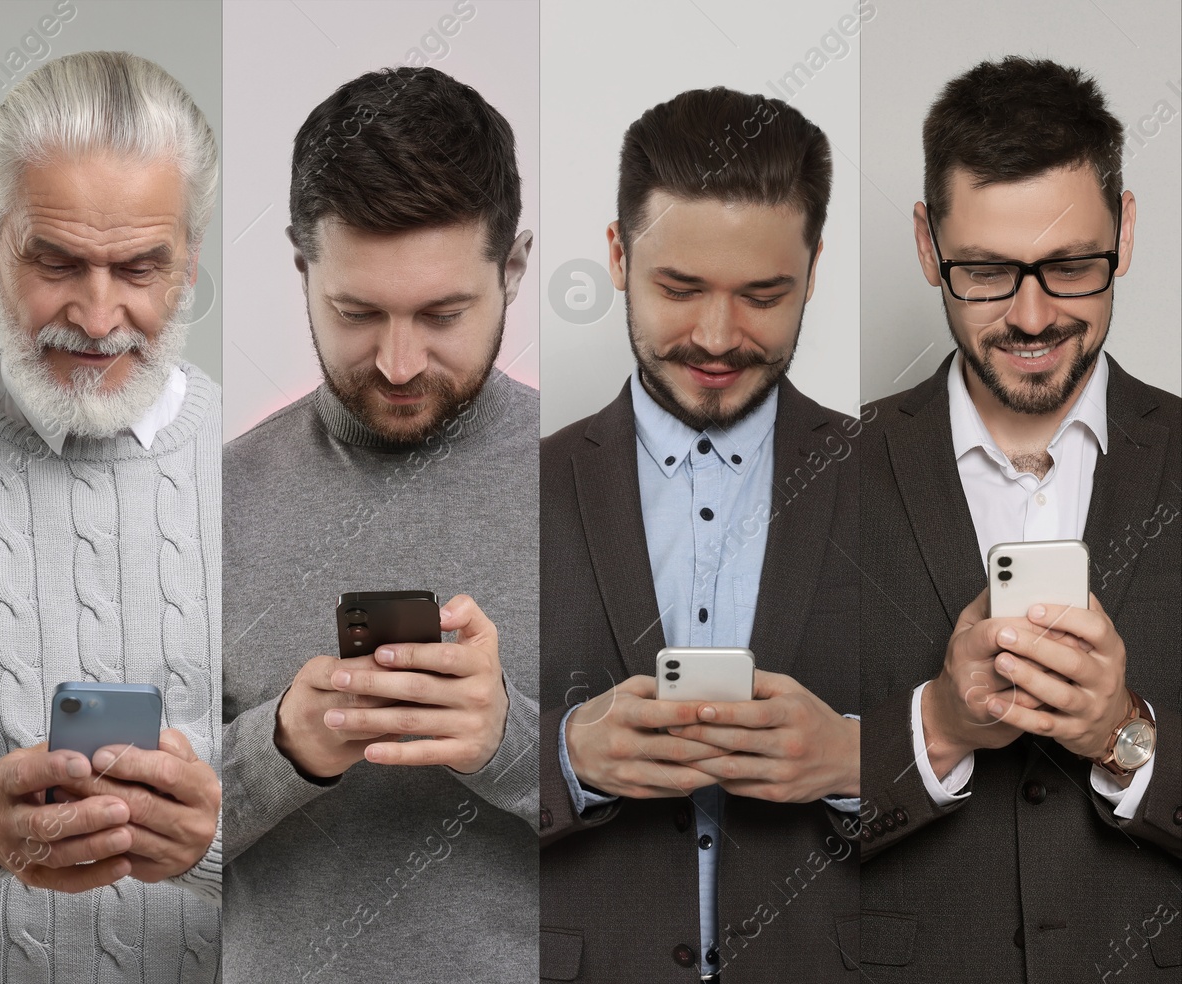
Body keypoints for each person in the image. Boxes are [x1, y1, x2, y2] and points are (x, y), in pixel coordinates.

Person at [0, 51, 223, 983]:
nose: (96, 313)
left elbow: (357, 844)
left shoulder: (267, 473)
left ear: (191, 259)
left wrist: (214, 837)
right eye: (56, 262)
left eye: (140, 268)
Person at [859, 56, 1181, 982]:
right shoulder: (817, 474)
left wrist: (1125, 734)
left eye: (1072, 265)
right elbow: (752, 824)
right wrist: (939, 727)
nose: (1033, 317)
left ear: (1124, 232)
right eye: (989, 273)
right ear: (928, 244)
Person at [221, 66, 539, 983]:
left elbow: (674, 820)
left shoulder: (601, 487)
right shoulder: (213, 500)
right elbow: (138, 829)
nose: (399, 364)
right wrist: (281, 747)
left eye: (443, 315)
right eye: (357, 313)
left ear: (513, 268)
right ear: (301, 267)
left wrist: (508, 739)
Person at [539, 87, 860, 983]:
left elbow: (989, 772)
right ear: (616, 254)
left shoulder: (897, 474)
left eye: (764, 295)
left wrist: (852, 759)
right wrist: (567, 758)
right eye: (680, 289)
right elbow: (432, 772)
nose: (717, 338)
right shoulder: (517, 487)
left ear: (814, 268)